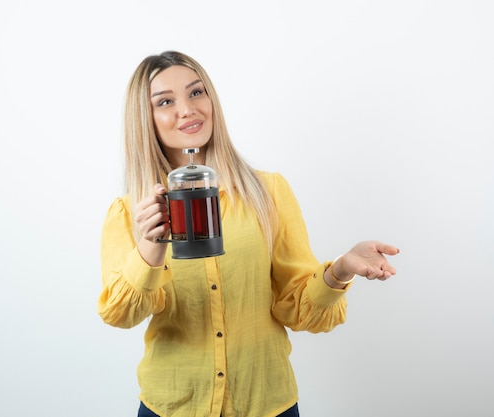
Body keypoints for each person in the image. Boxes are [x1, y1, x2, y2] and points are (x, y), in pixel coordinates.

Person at [97, 50, 400, 417]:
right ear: (145, 119)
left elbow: (298, 310)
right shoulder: (130, 212)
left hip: (266, 403)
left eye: (196, 92)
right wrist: (150, 246)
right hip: (173, 406)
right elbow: (119, 313)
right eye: (165, 101)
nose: (187, 109)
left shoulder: (267, 192)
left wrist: (341, 269)